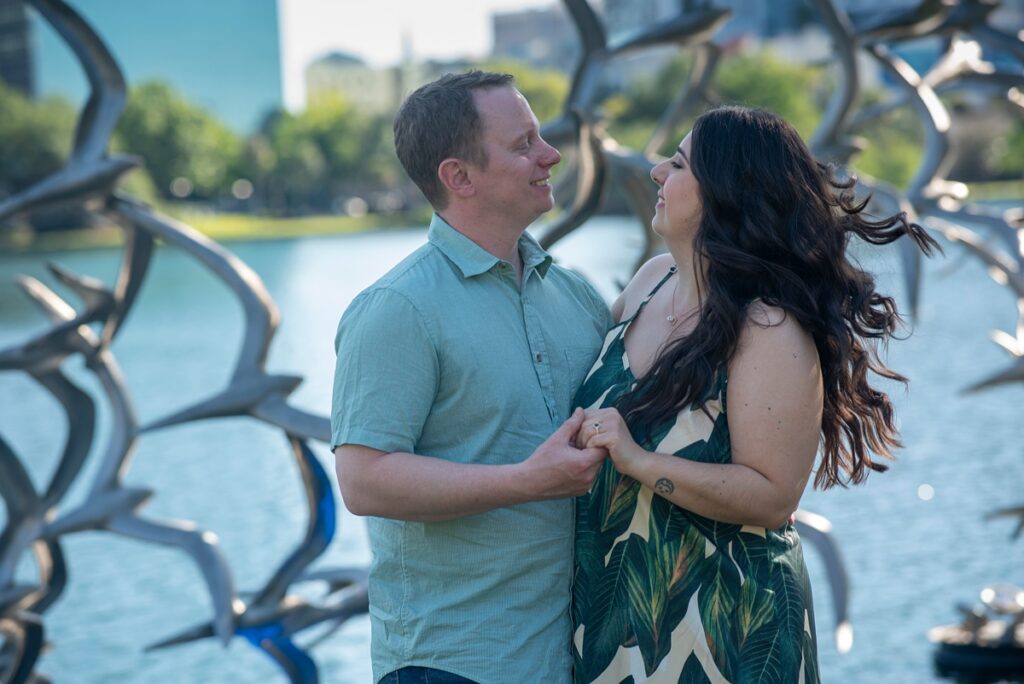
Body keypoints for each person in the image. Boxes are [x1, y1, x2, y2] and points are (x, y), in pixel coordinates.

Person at [570, 105, 938, 683]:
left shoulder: (768, 328)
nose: (656, 175)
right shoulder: (647, 283)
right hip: (618, 624)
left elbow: (771, 497)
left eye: (679, 164)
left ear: (725, 192)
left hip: (729, 630)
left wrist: (639, 462)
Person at [331, 70, 613, 684]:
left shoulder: (577, 297)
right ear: (458, 177)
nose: (551, 155)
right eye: (523, 145)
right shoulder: (396, 309)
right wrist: (525, 481)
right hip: (453, 665)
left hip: (572, 662)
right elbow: (365, 481)